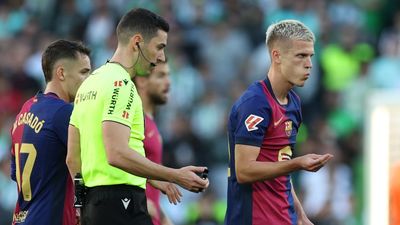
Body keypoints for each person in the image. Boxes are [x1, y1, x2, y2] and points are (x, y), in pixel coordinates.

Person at [66, 8, 209, 225]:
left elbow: (73, 158)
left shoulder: (90, 83)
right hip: (122, 203)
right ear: (137, 42)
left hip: (94, 206)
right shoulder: (121, 84)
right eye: (159, 47)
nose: (161, 56)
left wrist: (80, 203)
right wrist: (174, 175)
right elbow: (116, 153)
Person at [224, 19, 333, 225]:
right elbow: (244, 171)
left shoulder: (294, 103)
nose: (309, 64)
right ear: (277, 56)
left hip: (285, 218)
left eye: (310, 56)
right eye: (301, 55)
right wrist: (297, 163)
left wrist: (300, 215)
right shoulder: (256, 104)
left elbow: (281, 168)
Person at [10, 40, 91, 225]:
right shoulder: (64, 112)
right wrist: (81, 203)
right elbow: (82, 164)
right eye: (84, 72)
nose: (89, 80)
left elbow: (15, 173)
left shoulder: (24, 110)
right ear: (61, 73)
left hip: (21, 219)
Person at [134, 60, 177, 225]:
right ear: (142, 81)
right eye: (161, 76)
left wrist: (163, 218)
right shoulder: (134, 120)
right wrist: (141, 203)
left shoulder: (150, 121)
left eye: (168, 75)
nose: (168, 82)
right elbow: (117, 164)